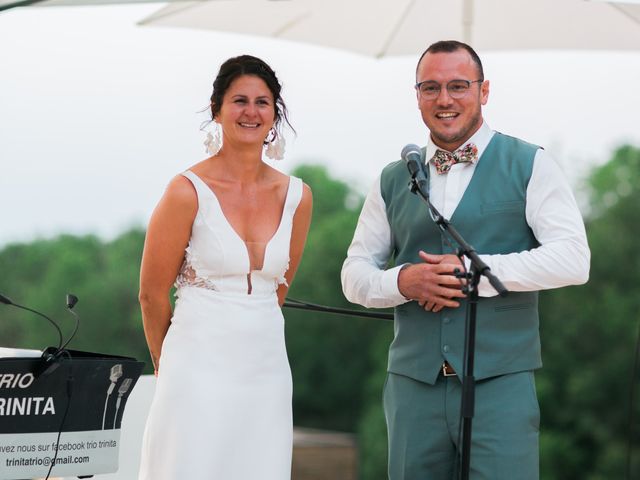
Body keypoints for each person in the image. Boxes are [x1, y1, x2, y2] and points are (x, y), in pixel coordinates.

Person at [341, 40, 590, 479]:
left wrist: (476, 275)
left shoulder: (530, 163)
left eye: (458, 86)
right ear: (416, 95)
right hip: (413, 387)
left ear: (484, 90)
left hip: (501, 383)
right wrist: (403, 281)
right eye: (430, 88)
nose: (445, 99)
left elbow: (573, 258)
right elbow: (354, 273)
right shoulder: (393, 178)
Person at [137, 55, 312, 479]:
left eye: (262, 102)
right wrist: (169, 363)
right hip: (195, 364)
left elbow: (279, 288)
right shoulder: (185, 191)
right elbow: (151, 293)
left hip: (267, 368)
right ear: (217, 109)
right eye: (239, 100)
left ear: (275, 114)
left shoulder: (298, 197)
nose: (251, 112)